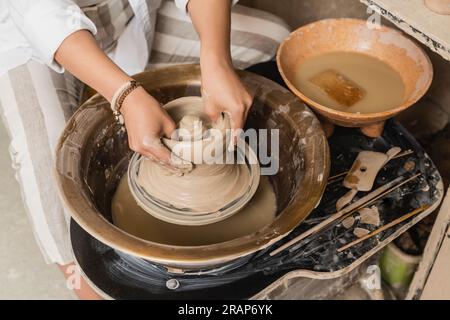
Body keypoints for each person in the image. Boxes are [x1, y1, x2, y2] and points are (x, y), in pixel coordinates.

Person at [0, 0, 290, 299]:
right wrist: (125, 95)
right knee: (43, 155)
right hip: (32, 39)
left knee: (275, 42)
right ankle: (83, 278)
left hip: (127, 17)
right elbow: (42, 15)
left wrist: (215, 58)